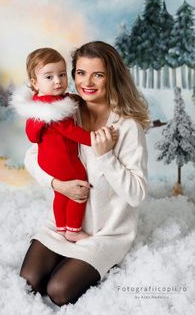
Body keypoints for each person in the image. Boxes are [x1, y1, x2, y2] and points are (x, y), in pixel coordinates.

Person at [19, 41, 150, 306]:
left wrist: (105, 156)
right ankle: (68, 252)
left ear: (112, 78)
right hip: (63, 223)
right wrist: (58, 185)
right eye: (80, 72)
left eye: (98, 74)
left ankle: (94, 261)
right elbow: (32, 156)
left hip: (105, 233)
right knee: (29, 280)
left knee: (58, 290)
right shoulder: (66, 111)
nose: (87, 82)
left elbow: (137, 195)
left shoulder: (126, 127)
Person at [12, 48, 117, 242]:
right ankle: (74, 229)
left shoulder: (43, 102)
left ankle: (61, 227)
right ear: (35, 83)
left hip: (48, 159)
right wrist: (95, 139)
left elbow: (33, 133)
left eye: (61, 74)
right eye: (49, 77)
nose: (58, 81)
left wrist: (72, 99)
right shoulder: (53, 110)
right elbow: (72, 132)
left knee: (60, 194)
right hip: (61, 160)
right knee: (79, 187)